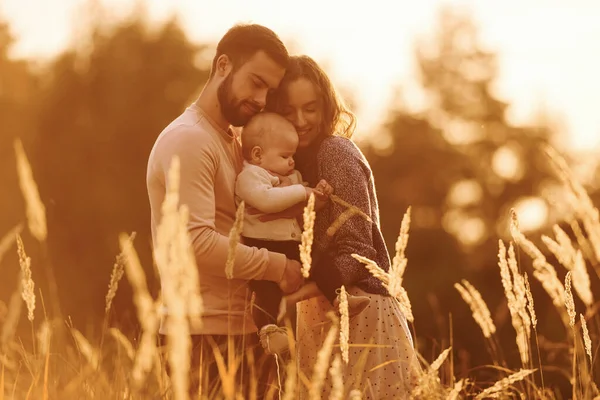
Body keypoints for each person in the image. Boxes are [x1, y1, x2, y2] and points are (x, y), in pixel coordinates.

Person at [146, 24, 304, 397]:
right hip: (203, 337)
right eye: (255, 82)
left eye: (269, 89)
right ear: (222, 65)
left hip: (245, 330)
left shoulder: (235, 141)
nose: (262, 99)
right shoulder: (189, 140)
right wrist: (279, 267)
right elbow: (195, 242)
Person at [265, 55, 421, 399]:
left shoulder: (335, 152)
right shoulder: (290, 166)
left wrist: (292, 291)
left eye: (310, 108)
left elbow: (357, 250)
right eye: (289, 110)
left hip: (363, 312)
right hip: (319, 317)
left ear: (326, 107)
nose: (301, 120)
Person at [235, 112, 372, 355]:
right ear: (257, 154)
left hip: (291, 242)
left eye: (293, 156)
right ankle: (269, 331)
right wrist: (301, 191)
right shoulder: (250, 177)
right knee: (265, 290)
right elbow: (266, 200)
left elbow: (304, 202)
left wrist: (317, 194)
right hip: (263, 244)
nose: (291, 162)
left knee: (321, 262)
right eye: (285, 156)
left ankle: (340, 299)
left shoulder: (291, 176)